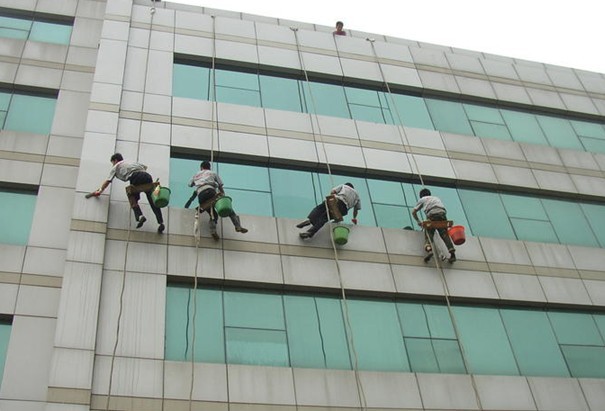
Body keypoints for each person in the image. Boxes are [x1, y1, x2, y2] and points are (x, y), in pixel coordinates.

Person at [94, 153, 165, 233]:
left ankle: (140, 216)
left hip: (135, 177)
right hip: (147, 176)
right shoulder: (130, 162)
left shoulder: (116, 166)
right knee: (152, 200)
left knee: (130, 194)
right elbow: (145, 167)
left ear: (116, 160)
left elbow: (108, 181)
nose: (112, 164)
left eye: (112, 162)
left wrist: (100, 190)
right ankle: (161, 223)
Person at [187, 161, 248, 240]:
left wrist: (197, 182)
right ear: (209, 167)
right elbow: (220, 185)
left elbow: (189, 184)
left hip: (201, 196)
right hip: (210, 192)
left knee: (213, 215)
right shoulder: (212, 173)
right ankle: (238, 226)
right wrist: (222, 194)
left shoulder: (196, 174)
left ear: (201, 167)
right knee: (230, 210)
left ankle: (213, 231)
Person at [411, 188, 456, 263]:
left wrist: (418, 221)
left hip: (432, 215)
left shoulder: (423, 199)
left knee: (428, 233)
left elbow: (413, 212)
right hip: (442, 215)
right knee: (444, 234)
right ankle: (452, 254)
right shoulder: (436, 198)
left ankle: (429, 250)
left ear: (421, 196)